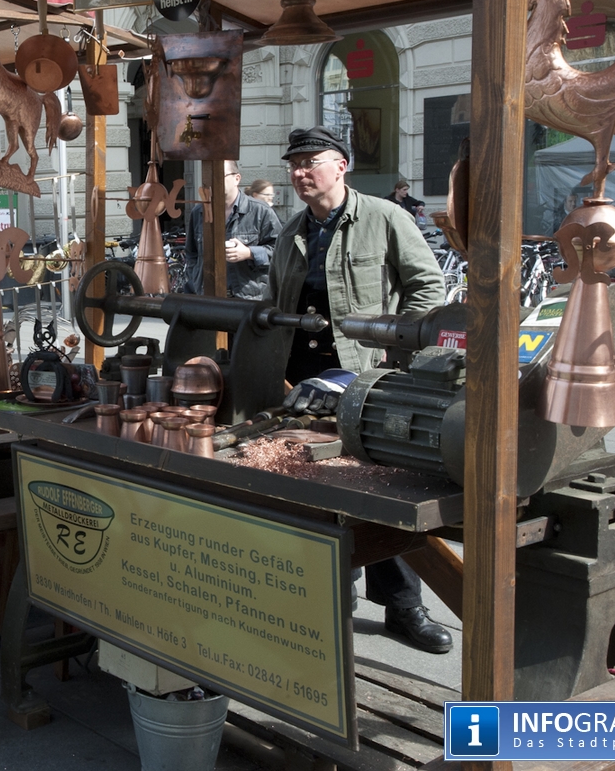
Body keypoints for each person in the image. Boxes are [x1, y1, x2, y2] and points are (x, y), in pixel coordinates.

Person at [269, 126, 452, 654]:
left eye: (312, 161)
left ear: (341, 165)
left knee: (381, 487)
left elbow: (428, 288)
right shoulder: (291, 232)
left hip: (368, 374)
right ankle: (328, 597)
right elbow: (275, 303)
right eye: (294, 163)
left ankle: (403, 608)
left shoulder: (386, 218)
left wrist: (395, 352)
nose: (301, 172)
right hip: (302, 378)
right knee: (308, 483)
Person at [182, 161, 280, 299]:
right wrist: (195, 281)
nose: (212, 181)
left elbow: (281, 252)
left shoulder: (260, 211)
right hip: (207, 298)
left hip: (247, 301)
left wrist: (249, 253)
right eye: (209, 176)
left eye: (219, 175)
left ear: (237, 178)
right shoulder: (199, 212)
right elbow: (192, 254)